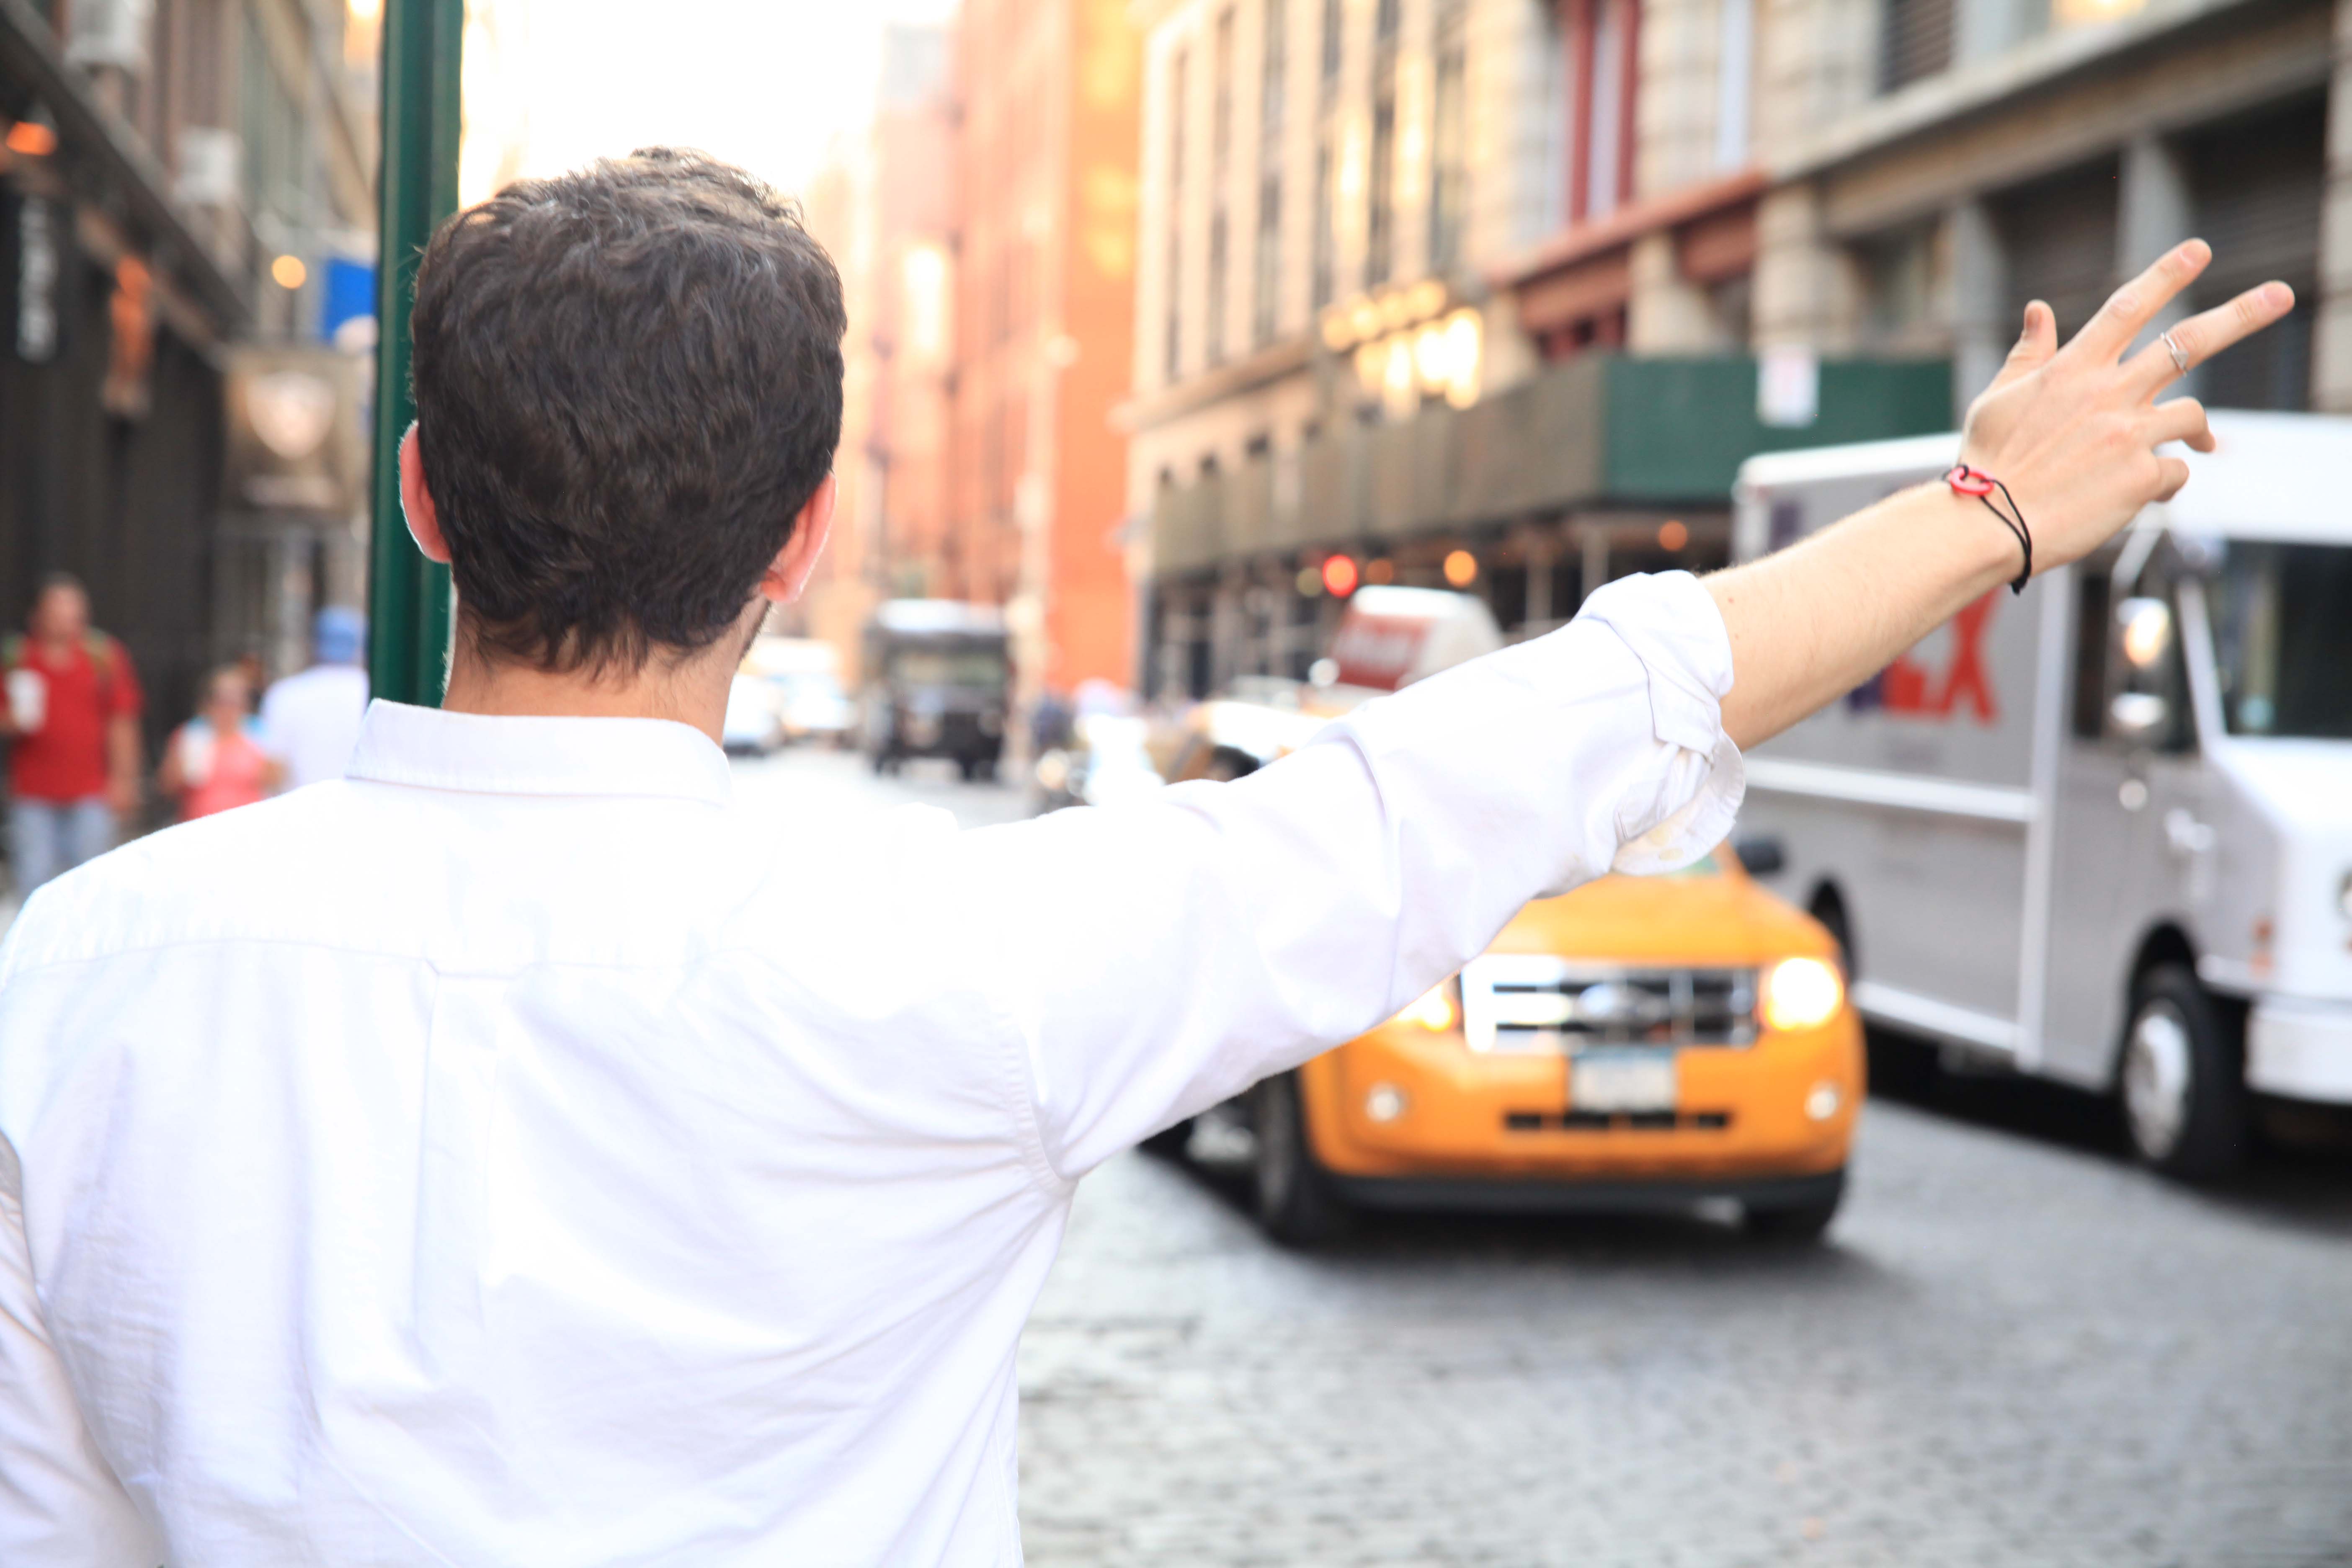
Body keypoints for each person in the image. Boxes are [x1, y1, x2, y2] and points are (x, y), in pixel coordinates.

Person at [0, 149, 2290, 1563]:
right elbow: (1548, 739)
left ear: (418, 501)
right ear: (802, 539)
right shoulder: (962, 960)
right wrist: (1986, 509)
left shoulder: (66, 974)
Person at [0, 574, 143, 899]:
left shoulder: (103, 657)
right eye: (57, 612)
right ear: (37, 616)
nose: (66, 622)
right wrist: (14, 721)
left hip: (90, 791)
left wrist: (124, 780)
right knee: (33, 881)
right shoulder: (17, 658)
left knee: (88, 883)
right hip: (33, 792)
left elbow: (122, 722)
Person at [259, 606, 371, 790]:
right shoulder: (373, 691)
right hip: (364, 810)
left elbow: (273, 771)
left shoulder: (286, 694)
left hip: (301, 811)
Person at [156, 665, 284, 822]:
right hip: (199, 825)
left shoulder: (259, 733)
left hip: (249, 825)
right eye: (221, 700)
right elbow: (167, 787)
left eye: (235, 700)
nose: (228, 708)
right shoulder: (191, 734)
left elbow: (278, 781)